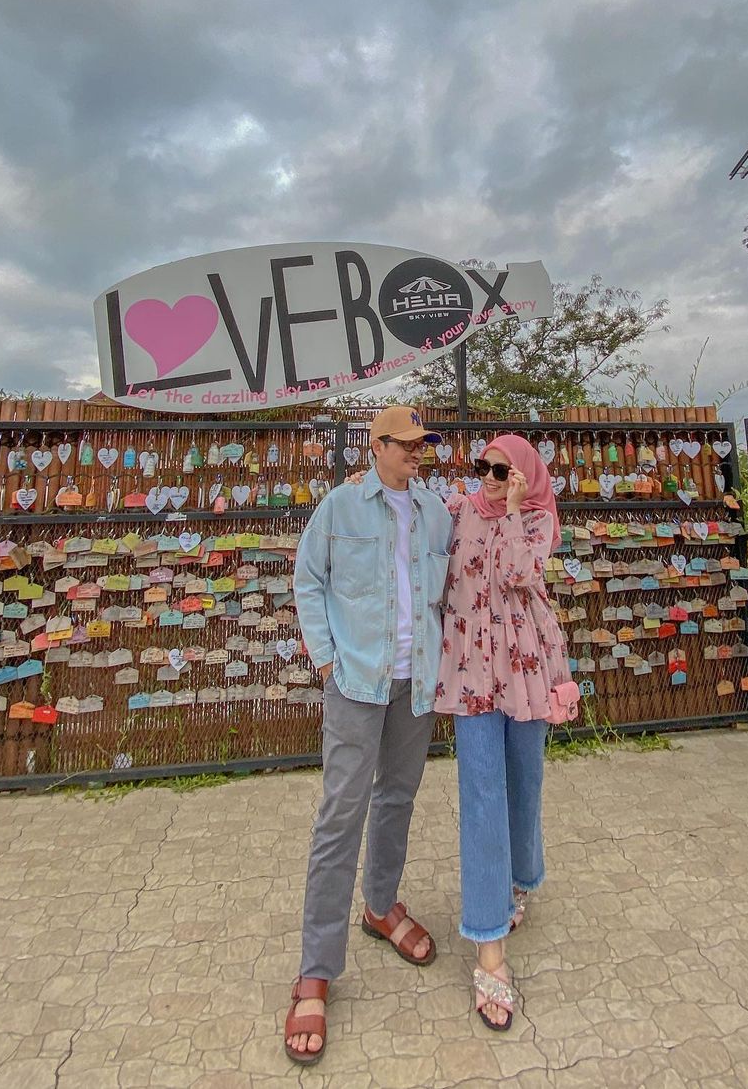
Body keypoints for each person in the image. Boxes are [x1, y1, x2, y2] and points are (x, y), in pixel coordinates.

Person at [285, 405, 452, 1065]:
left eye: (423, 444)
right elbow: (308, 580)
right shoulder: (339, 507)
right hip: (355, 681)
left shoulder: (437, 511)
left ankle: (381, 906)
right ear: (376, 446)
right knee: (340, 814)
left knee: (399, 797)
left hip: (418, 684)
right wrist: (326, 655)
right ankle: (315, 968)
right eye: (407, 444)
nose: (418, 453)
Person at [434, 433, 569, 1031]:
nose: (490, 477)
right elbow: (414, 531)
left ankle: (521, 880)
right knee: (483, 795)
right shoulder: (458, 512)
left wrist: (513, 510)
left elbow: (519, 574)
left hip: (526, 669)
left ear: (524, 475)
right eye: (483, 467)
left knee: (525, 780)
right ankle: (490, 946)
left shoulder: (538, 521)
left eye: (502, 469)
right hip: (469, 671)